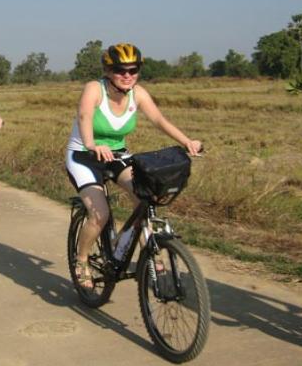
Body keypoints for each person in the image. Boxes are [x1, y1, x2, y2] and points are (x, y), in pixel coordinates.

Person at [65, 43, 202, 289]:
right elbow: (84, 117)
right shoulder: (94, 89)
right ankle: (82, 260)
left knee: (144, 198)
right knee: (100, 214)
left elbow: (159, 119)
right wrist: (91, 144)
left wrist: (187, 141)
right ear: (108, 71)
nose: (128, 75)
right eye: (120, 70)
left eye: (134, 69)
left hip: (117, 155)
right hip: (84, 156)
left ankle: (146, 254)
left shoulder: (137, 93)